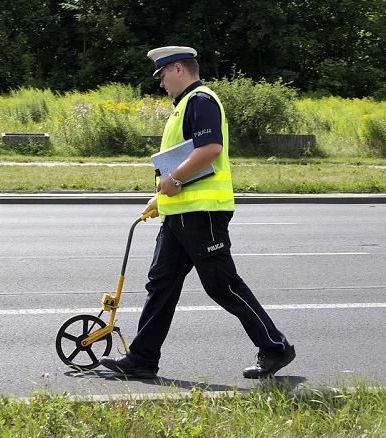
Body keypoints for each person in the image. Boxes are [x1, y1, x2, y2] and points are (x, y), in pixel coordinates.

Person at [99, 46, 295, 379]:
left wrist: (173, 179)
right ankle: (143, 359)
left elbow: (210, 150)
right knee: (160, 285)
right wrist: (160, 199)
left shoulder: (201, 101)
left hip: (202, 215)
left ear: (178, 69)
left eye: (162, 75)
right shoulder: (182, 108)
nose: (161, 83)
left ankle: (275, 347)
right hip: (179, 215)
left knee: (222, 286)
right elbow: (182, 161)